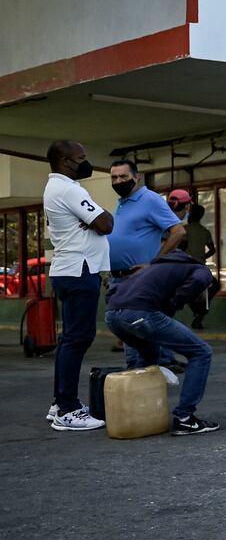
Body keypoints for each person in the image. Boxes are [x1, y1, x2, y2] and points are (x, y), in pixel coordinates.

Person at [104, 251, 219, 435]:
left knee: (148, 354)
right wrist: (175, 303)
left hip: (112, 315)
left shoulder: (153, 267)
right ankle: (185, 418)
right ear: (209, 286)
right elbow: (198, 282)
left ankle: (139, 413)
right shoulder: (202, 271)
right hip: (141, 313)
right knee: (201, 352)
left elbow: (115, 290)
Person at [43, 140, 113, 431]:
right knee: (78, 338)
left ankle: (60, 403)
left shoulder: (54, 189)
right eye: (81, 158)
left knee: (70, 339)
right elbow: (106, 223)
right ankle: (68, 409)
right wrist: (98, 217)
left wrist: (93, 220)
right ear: (65, 161)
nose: (85, 162)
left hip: (69, 270)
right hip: (79, 270)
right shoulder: (70, 189)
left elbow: (97, 222)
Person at [108, 159, 185, 368]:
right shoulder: (123, 202)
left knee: (137, 330)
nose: (118, 181)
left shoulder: (149, 199)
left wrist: (154, 263)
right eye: (114, 177)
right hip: (119, 278)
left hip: (139, 279)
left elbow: (178, 231)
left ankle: (144, 379)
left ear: (136, 177)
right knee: (130, 333)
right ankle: (141, 379)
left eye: (123, 176)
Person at [177, 203, 216, 329]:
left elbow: (181, 247)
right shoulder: (204, 231)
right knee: (212, 287)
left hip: (187, 267)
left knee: (186, 291)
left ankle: (198, 311)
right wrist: (203, 256)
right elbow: (212, 250)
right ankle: (200, 313)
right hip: (200, 267)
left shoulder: (185, 229)